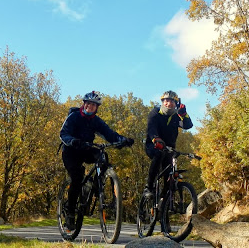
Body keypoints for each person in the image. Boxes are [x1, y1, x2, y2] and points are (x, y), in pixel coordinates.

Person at [60, 90, 134, 230]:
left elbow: (109, 134)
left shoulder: (96, 121)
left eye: (94, 105)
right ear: (84, 104)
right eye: (88, 104)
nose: (90, 106)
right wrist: (73, 141)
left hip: (86, 149)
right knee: (76, 178)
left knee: (103, 156)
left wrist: (123, 140)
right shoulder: (74, 116)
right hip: (71, 151)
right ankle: (70, 214)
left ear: (96, 108)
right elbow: (63, 133)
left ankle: (98, 186)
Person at [144, 90, 193, 198]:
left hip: (169, 149)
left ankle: (163, 204)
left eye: (172, 101)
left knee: (169, 177)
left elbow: (188, 125)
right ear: (162, 101)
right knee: (158, 154)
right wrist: (155, 138)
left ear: (176, 103)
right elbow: (151, 128)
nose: (169, 103)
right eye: (166, 101)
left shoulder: (176, 116)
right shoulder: (155, 113)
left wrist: (183, 114)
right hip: (153, 145)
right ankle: (149, 187)